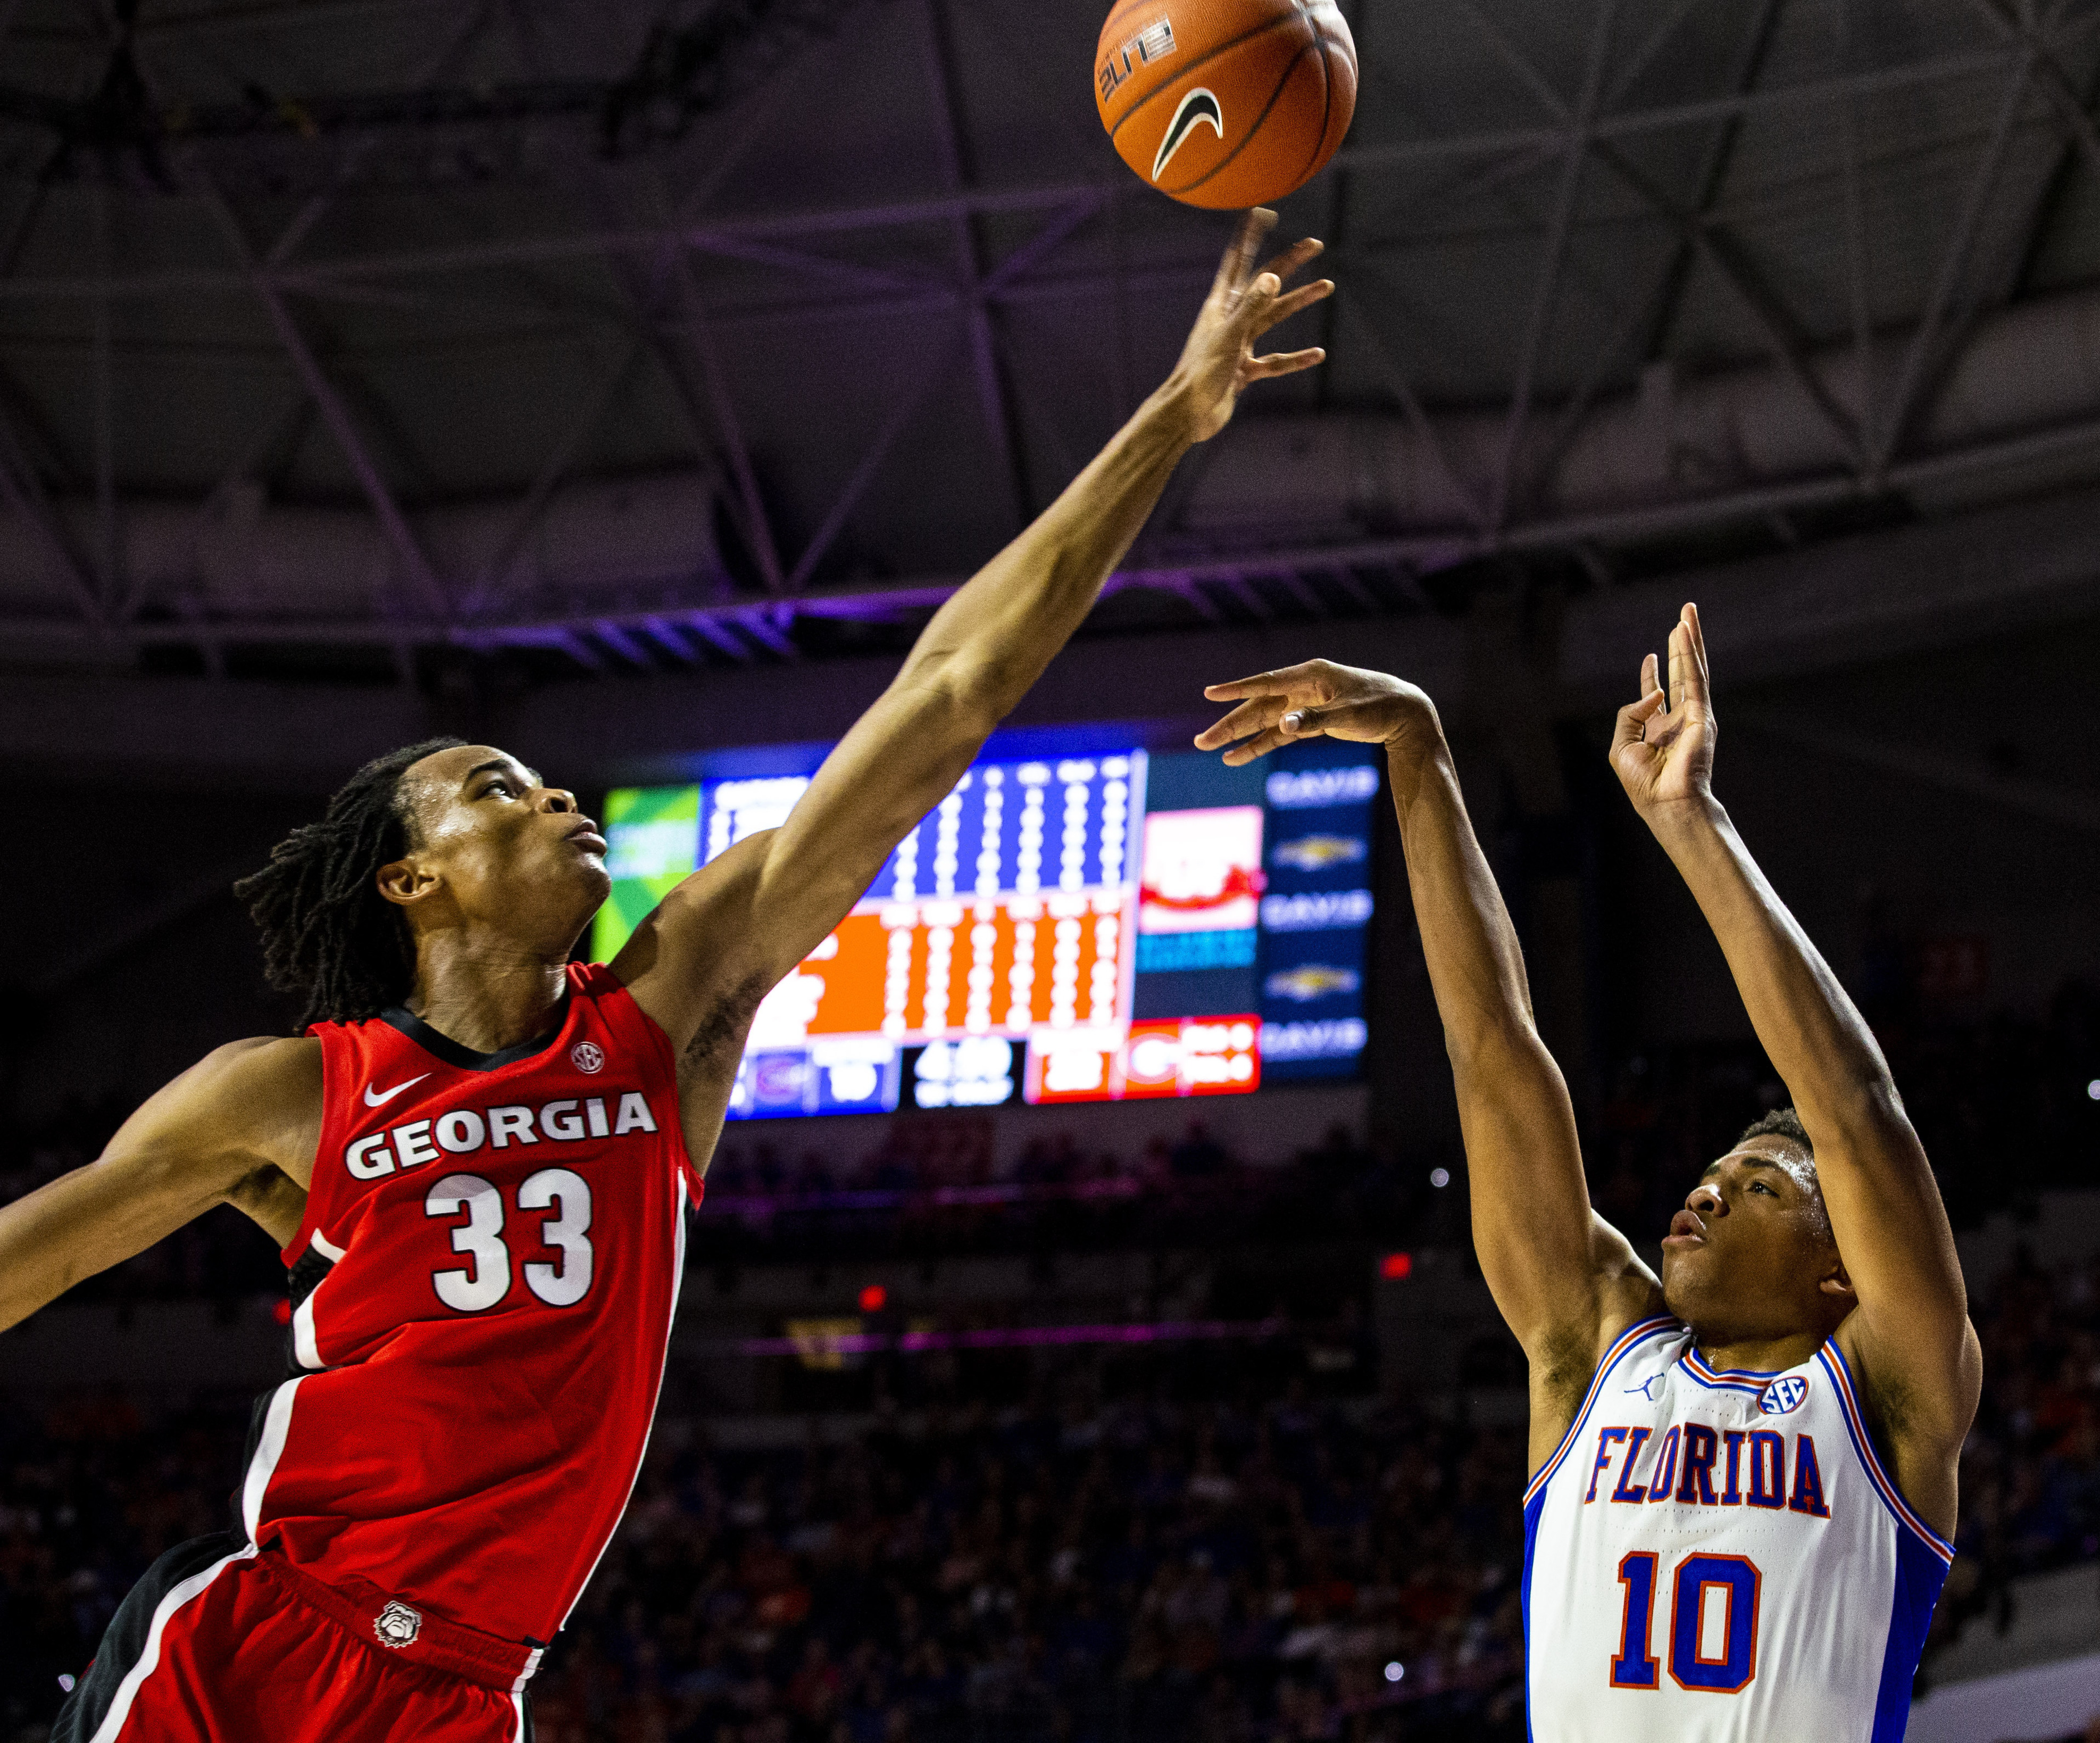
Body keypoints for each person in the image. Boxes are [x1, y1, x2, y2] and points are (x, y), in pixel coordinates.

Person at [1, 210, 1332, 1743]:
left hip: (467, 1694)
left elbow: (950, 690)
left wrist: (1169, 417)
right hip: (259, 1649)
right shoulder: (291, 1091)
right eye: (497, 790)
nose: (557, 796)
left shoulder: (665, 1013)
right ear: (412, 879)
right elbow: (34, 1259)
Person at [1191, 599, 1980, 1739]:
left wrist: (1691, 823)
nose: (1705, 1193)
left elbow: (1854, 1111)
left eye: (1761, 1189)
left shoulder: (1885, 1389)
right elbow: (1493, 1050)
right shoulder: (1595, 1345)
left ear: (1840, 1271)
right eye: (1714, 1174)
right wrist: (1420, 753)